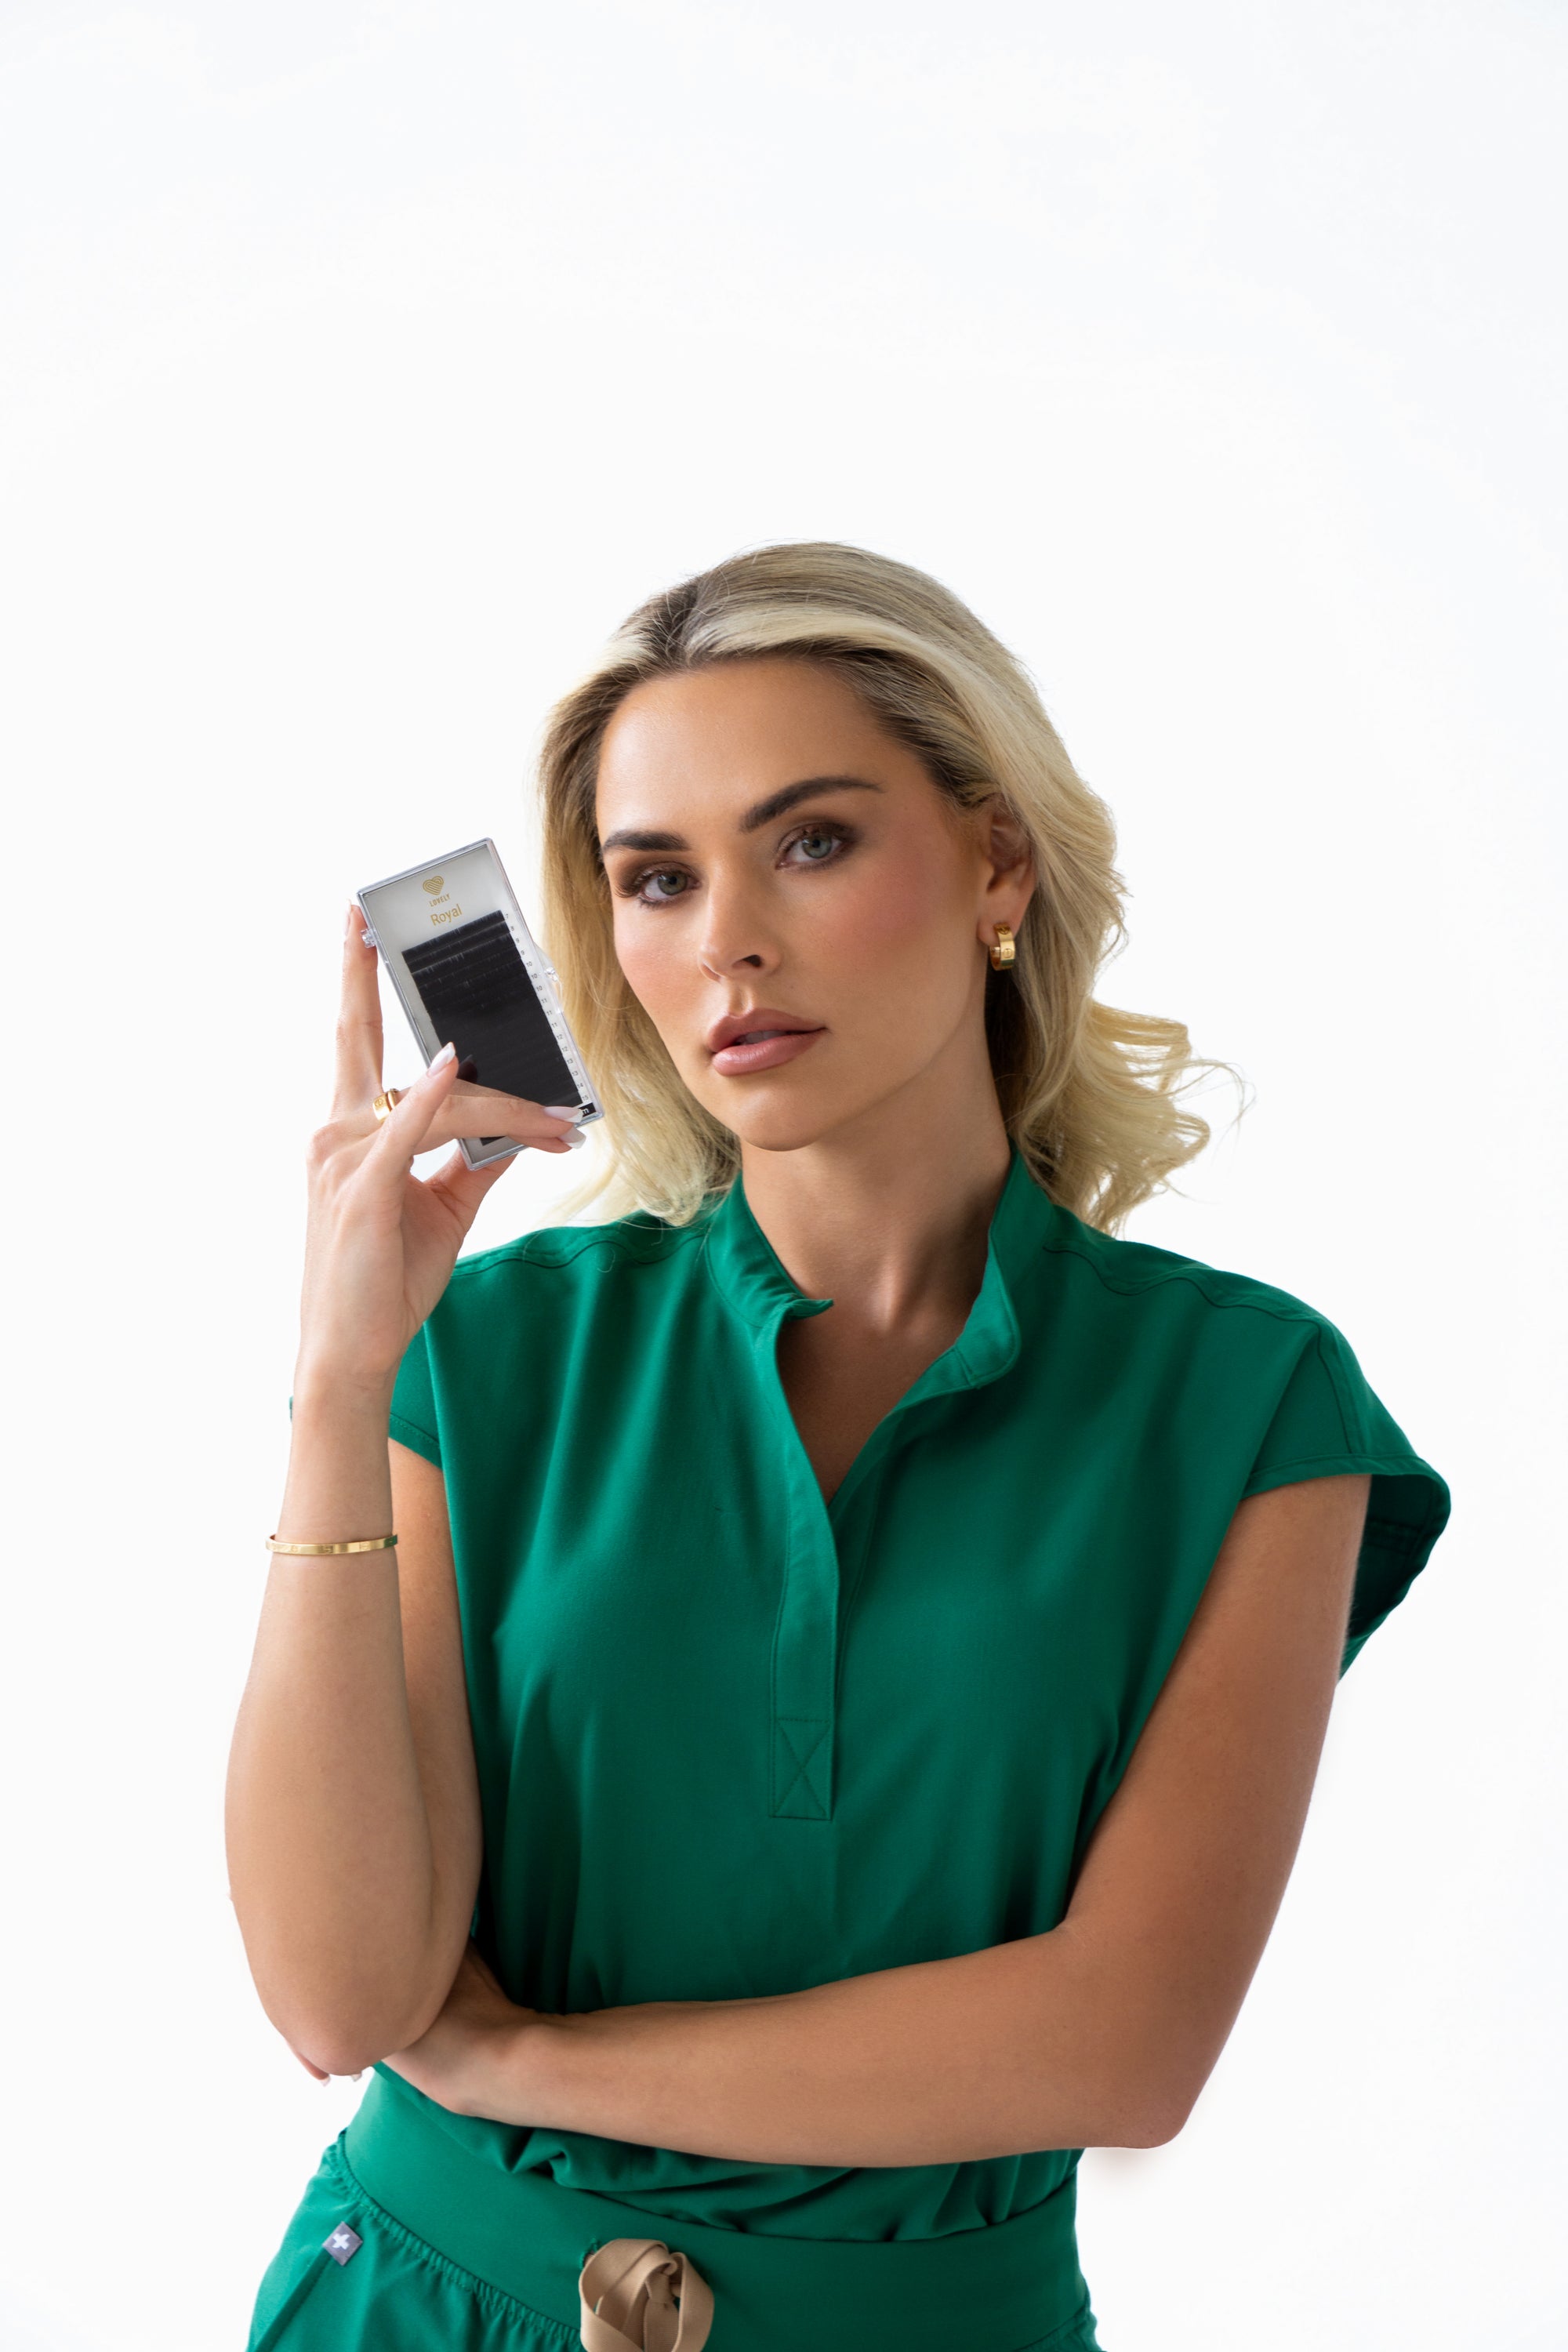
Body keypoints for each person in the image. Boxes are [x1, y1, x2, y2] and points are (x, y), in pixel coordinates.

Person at [227, 541, 1450, 2352]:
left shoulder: (1249, 1404)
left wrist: (516, 2060)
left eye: (809, 842)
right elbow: (342, 2001)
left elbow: (1123, 2046)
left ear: (996, 863)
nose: (726, 939)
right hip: (420, 2309)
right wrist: (342, 1387)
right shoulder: (488, 1352)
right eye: (658, 878)